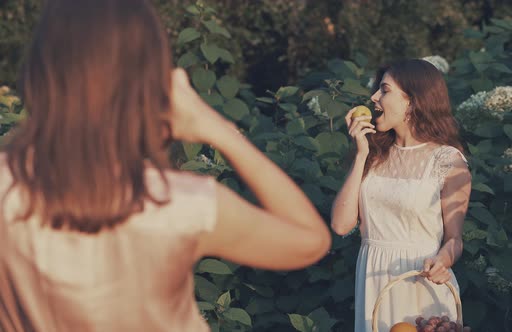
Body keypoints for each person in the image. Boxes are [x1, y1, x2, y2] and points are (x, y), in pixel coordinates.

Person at [0, 1, 331, 331]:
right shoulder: (181, 205)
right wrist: (216, 128)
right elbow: (310, 240)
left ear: (39, 72)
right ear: (152, 84)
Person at [331, 59, 472, 331]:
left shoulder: (448, 161)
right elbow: (340, 225)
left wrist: (443, 260)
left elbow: (454, 239)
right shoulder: (373, 156)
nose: (373, 97)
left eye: (384, 90)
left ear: (412, 101)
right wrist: (361, 154)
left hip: (422, 283)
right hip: (375, 280)